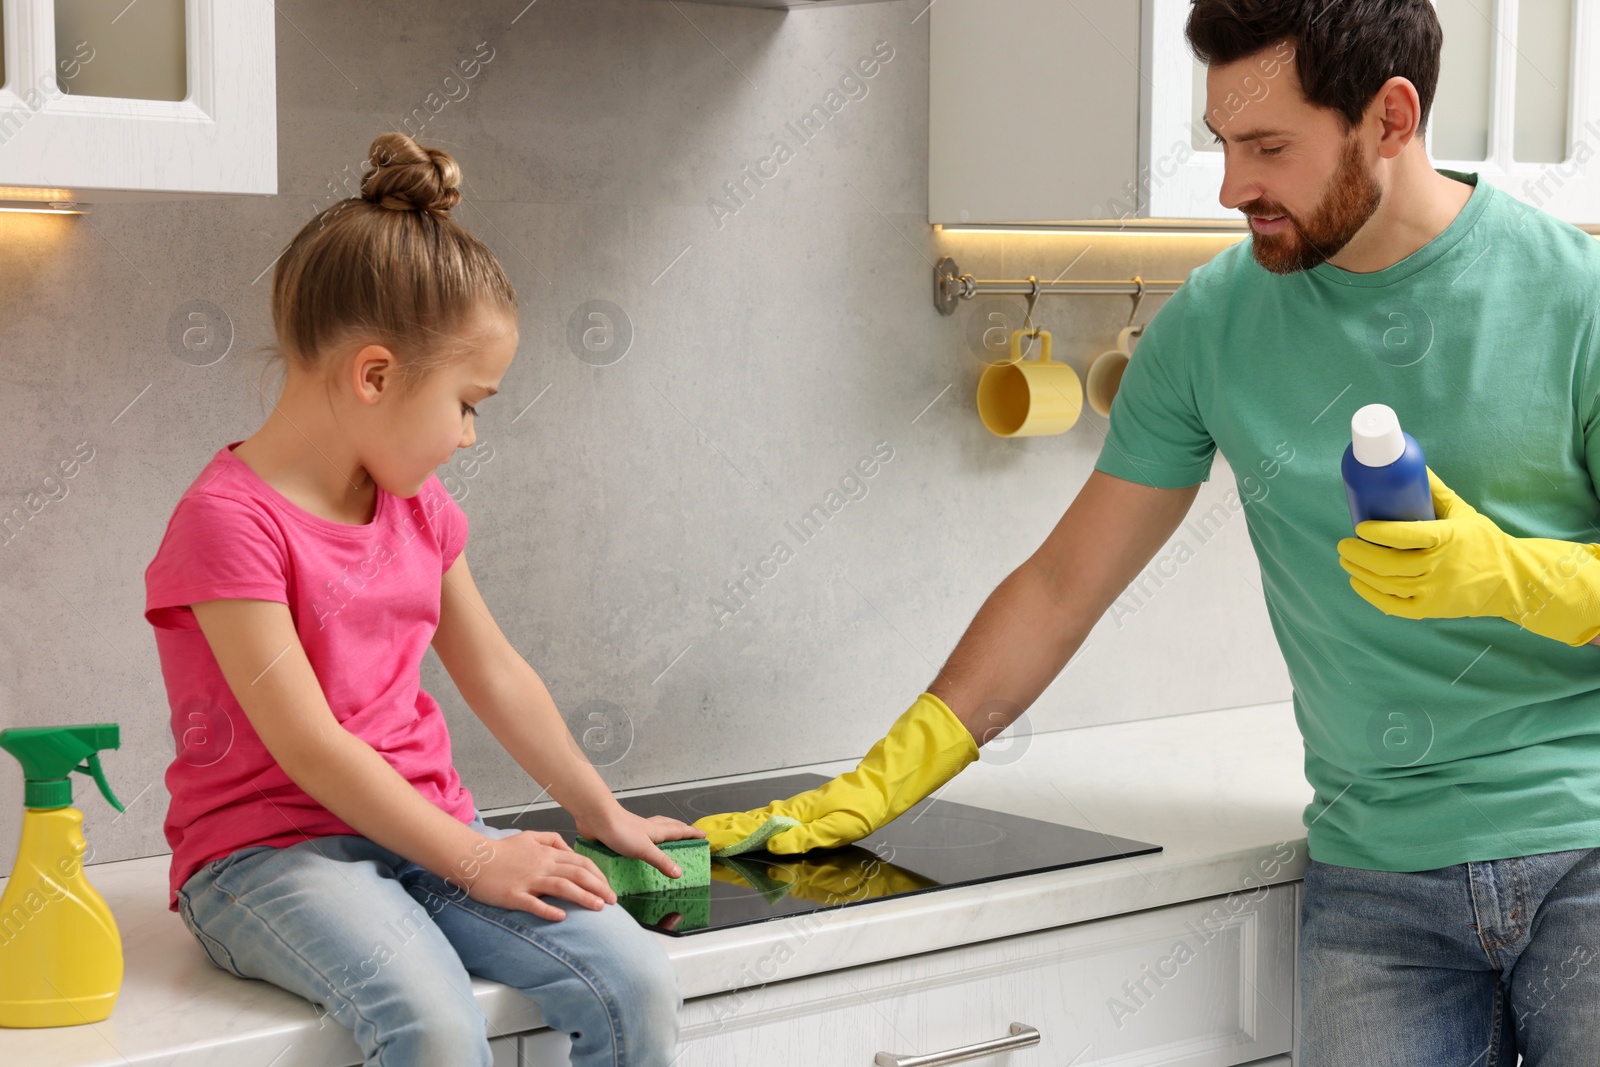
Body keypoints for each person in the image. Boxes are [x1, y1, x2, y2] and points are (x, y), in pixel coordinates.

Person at [696, 2, 1600, 1062]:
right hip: (1377, 879)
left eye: (1268, 147)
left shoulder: (1573, 296)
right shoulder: (1209, 328)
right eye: (1222, 144)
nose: (1231, 188)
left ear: (1390, 118)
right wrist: (884, 778)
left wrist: (1508, 577)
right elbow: (1060, 587)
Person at [144, 131, 703, 1067]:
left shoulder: (417, 506)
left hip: (428, 830)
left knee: (638, 981)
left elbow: (494, 671)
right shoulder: (227, 524)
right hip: (271, 858)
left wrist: (601, 811)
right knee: (436, 1027)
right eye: (468, 402)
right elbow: (312, 746)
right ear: (374, 375)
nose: (470, 435)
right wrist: (476, 858)